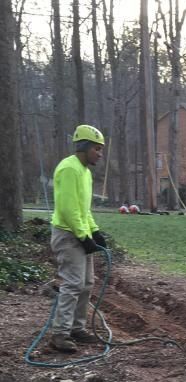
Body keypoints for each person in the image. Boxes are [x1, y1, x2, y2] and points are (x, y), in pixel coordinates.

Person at [49, 124, 107, 353]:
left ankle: (76, 328)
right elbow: (67, 208)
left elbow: (84, 209)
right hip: (67, 235)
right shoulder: (69, 169)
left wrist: (95, 231)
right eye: (97, 149)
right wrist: (83, 236)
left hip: (80, 233)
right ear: (83, 146)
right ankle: (60, 335)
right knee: (73, 284)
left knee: (87, 283)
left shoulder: (85, 172)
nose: (100, 154)